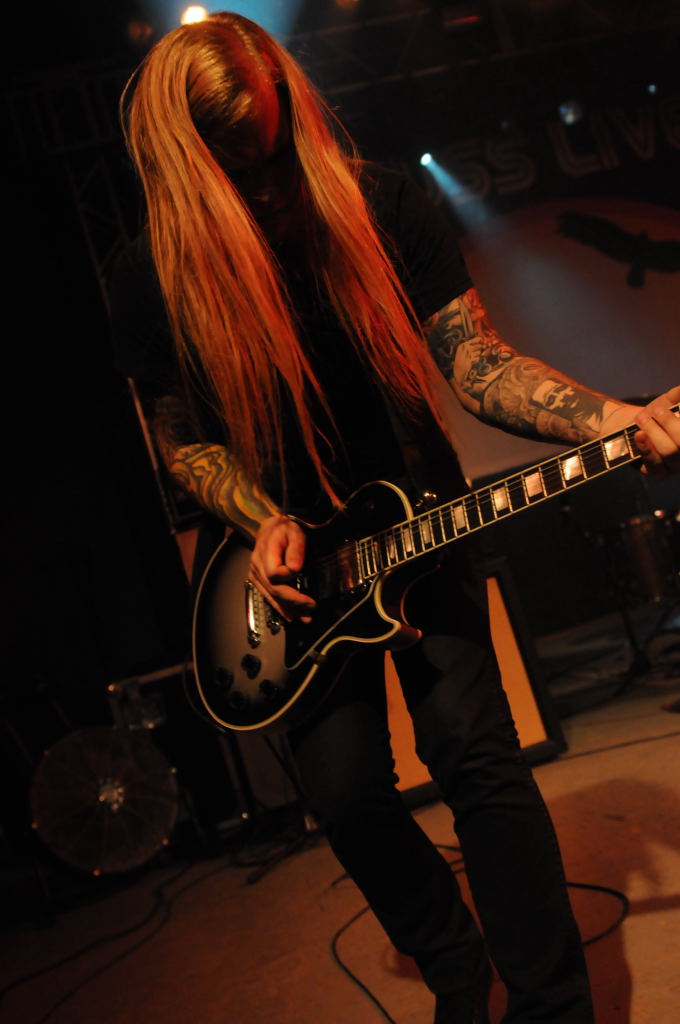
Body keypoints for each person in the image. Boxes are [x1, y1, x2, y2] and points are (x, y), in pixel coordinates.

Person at [109, 13, 680, 1023]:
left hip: (422, 522)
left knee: (477, 758)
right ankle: (457, 974)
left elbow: (476, 361)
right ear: (190, 162)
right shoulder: (151, 271)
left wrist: (613, 420)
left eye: (275, 146)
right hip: (291, 577)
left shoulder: (377, 203)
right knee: (347, 798)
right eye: (241, 166)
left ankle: (551, 1007)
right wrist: (258, 517)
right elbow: (179, 438)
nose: (270, 180)